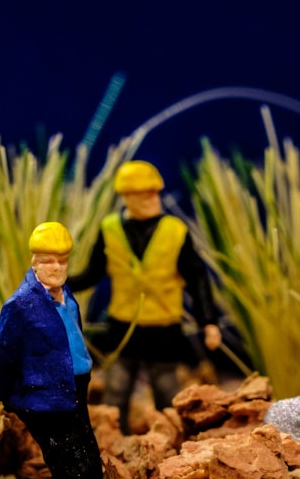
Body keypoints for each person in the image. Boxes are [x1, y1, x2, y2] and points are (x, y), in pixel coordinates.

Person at [68, 159, 222, 434]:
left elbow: (197, 279)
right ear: (127, 197)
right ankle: (117, 440)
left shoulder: (175, 231)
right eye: (145, 193)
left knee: (166, 388)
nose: (153, 198)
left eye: (155, 192)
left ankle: (173, 439)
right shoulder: (110, 229)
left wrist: (208, 322)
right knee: (116, 388)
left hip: (163, 327)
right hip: (122, 325)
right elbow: (93, 273)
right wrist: (60, 283)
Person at [0, 221, 103, 479]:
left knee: (86, 447)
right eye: (48, 261)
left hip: (77, 382)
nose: (56, 268)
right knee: (64, 452)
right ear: (34, 262)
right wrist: (6, 395)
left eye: (62, 261)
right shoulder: (21, 305)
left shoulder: (67, 297)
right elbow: (1, 353)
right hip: (44, 392)